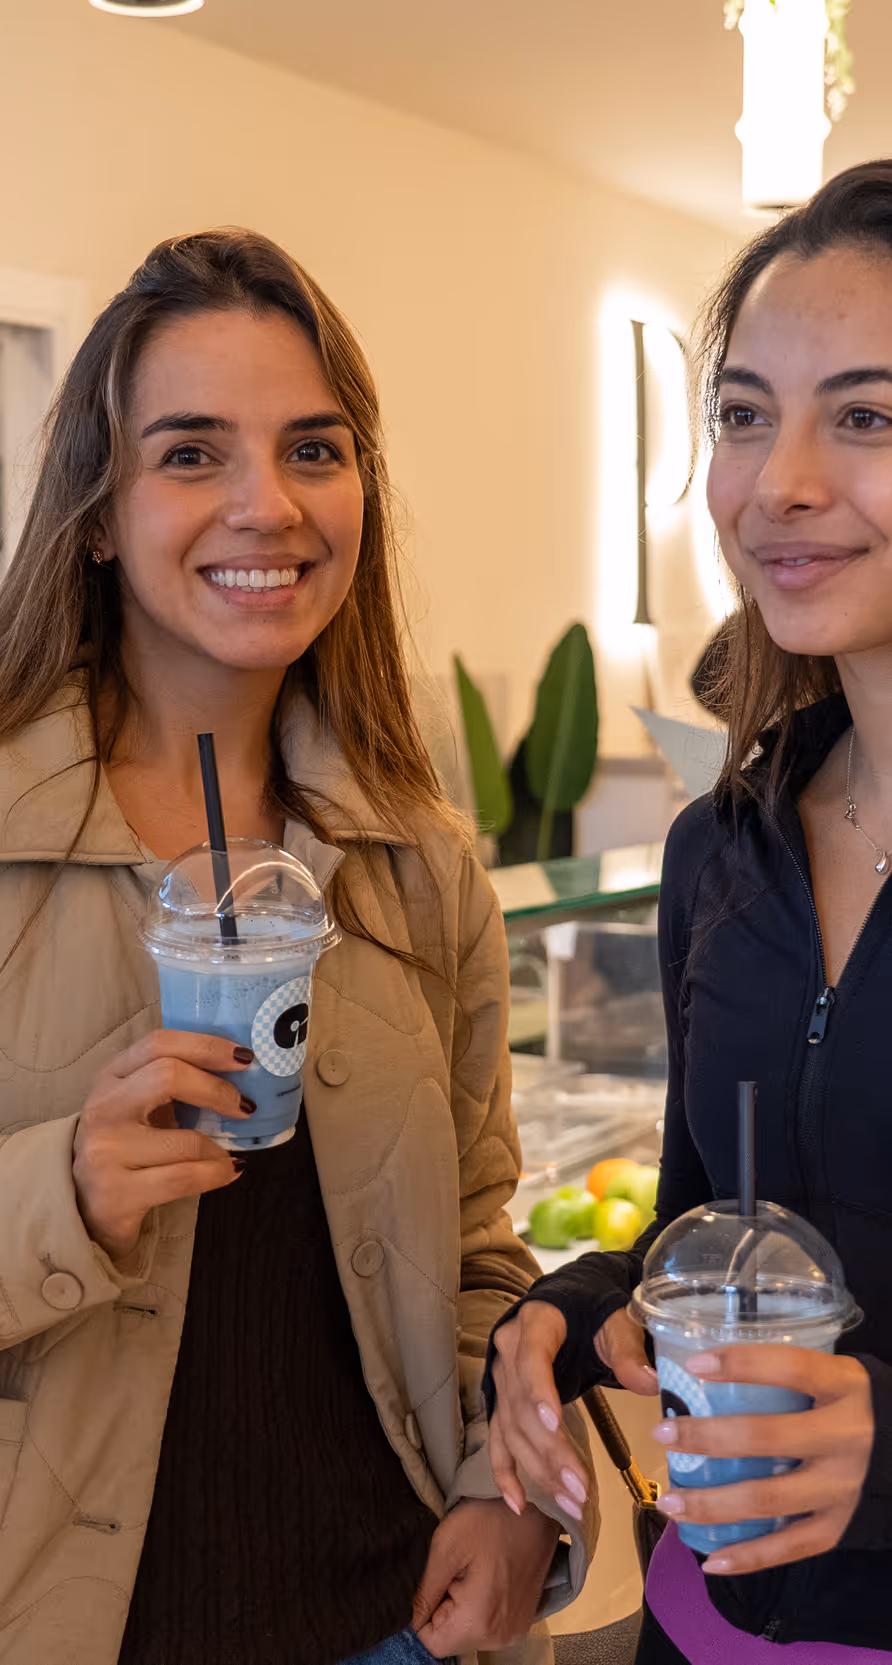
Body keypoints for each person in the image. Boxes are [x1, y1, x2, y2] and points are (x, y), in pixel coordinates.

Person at [484, 157, 892, 1662]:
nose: (777, 484)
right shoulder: (725, 845)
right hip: (706, 1630)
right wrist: (572, 1317)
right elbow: (709, 1228)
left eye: (868, 418)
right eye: (745, 413)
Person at [0, 229, 594, 1665]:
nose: (266, 505)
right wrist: (61, 1188)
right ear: (97, 510)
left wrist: (504, 1495)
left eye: (314, 451)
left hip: (386, 1618)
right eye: (192, 454)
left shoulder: (418, 863)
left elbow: (476, 1249)